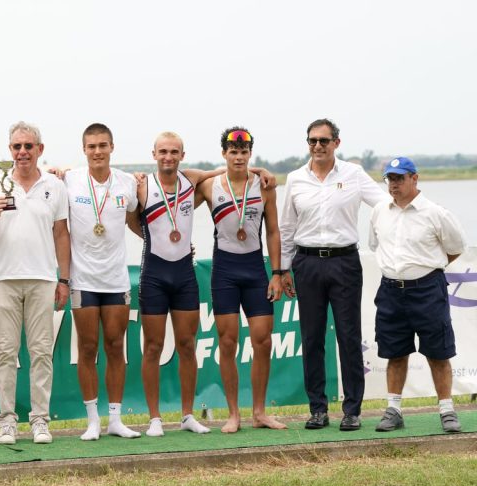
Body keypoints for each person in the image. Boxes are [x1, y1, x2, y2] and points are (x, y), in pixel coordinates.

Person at [136, 132, 271, 437]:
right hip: (154, 273)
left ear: (182, 155)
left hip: (184, 274)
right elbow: (133, 219)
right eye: (163, 152)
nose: (168, 157)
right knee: (153, 347)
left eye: (174, 152)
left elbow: (225, 172)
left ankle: (187, 415)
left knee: (187, 345)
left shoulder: (192, 181)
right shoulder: (142, 185)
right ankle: (155, 418)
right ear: (154, 153)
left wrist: (260, 171)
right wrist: (148, 237)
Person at [279, 118, 387, 431]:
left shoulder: (353, 174)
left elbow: (383, 205)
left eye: (323, 141)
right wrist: (283, 269)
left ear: (336, 143)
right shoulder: (296, 178)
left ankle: (352, 410)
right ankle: (317, 409)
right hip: (307, 262)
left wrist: (376, 239)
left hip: (344, 262)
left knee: (348, 336)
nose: (317, 146)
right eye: (312, 141)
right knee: (312, 338)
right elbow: (287, 227)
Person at [0, 121, 71, 444]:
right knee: (5, 352)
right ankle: (6, 421)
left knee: (41, 352)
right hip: (3, 279)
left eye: (28, 146)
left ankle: (40, 420)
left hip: (43, 279)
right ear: (10, 151)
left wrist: (64, 279)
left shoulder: (54, 186)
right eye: (17, 147)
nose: (22, 152)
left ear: (39, 150)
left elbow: (61, 234)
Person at [195, 127, 286, 433]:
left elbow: (273, 231)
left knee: (262, 340)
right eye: (232, 152)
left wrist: (276, 273)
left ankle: (259, 411)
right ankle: (233, 413)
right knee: (228, 341)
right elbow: (183, 175)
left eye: (244, 152)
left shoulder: (264, 186)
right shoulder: (210, 186)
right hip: (224, 270)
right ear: (224, 154)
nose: (238, 157)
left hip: (254, 268)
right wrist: (244, 169)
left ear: (250, 154)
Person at [369, 157, 467, 433]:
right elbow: (375, 245)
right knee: (394, 352)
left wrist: (425, 268)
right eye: (390, 178)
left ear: (415, 178)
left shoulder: (436, 213)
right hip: (390, 290)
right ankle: (393, 410)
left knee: (438, 352)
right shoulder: (379, 211)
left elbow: (455, 248)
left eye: (399, 178)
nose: (394, 184)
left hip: (427, 289)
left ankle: (447, 410)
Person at [61, 123, 140, 440]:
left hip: (117, 280)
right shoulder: (69, 180)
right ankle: (93, 420)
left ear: (111, 147)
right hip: (82, 279)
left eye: (103, 145)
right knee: (88, 348)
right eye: (92, 146)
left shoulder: (128, 183)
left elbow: (137, 220)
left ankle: (116, 419)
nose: (97, 151)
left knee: (115, 347)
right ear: (84, 150)